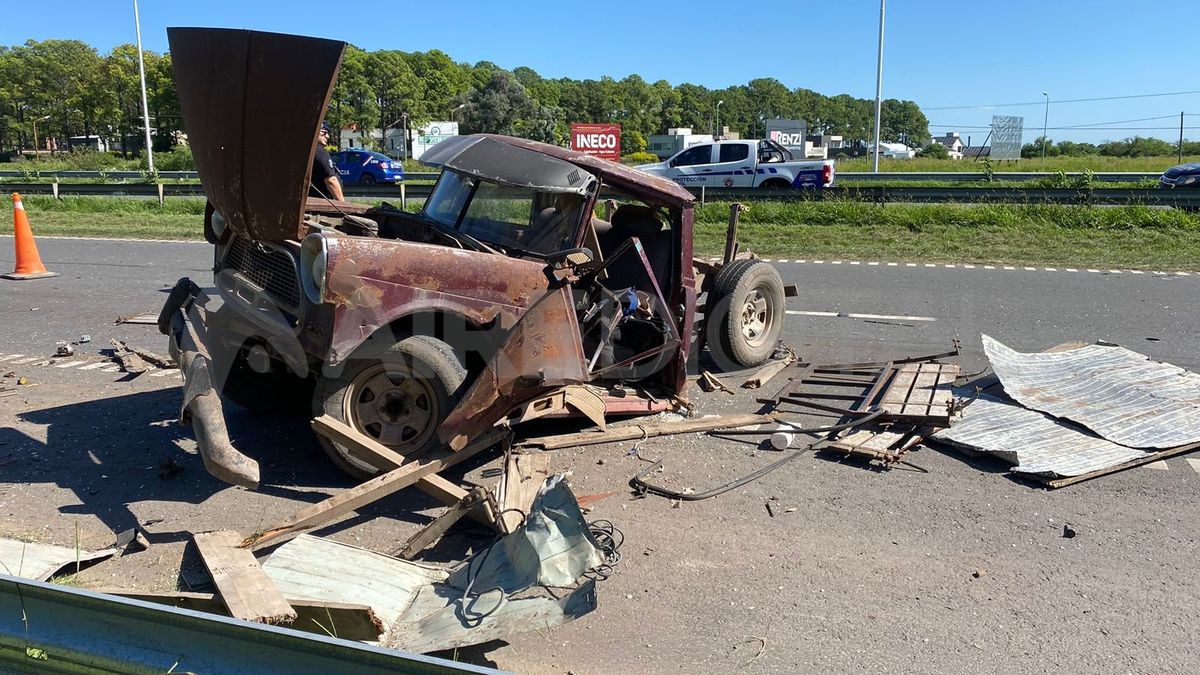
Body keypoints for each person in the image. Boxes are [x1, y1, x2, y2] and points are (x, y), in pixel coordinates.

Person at [310, 122, 345, 201]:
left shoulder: (309, 151)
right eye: (324, 132)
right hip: (322, 202)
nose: (327, 136)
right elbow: (331, 180)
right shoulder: (320, 151)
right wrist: (343, 205)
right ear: (315, 131)